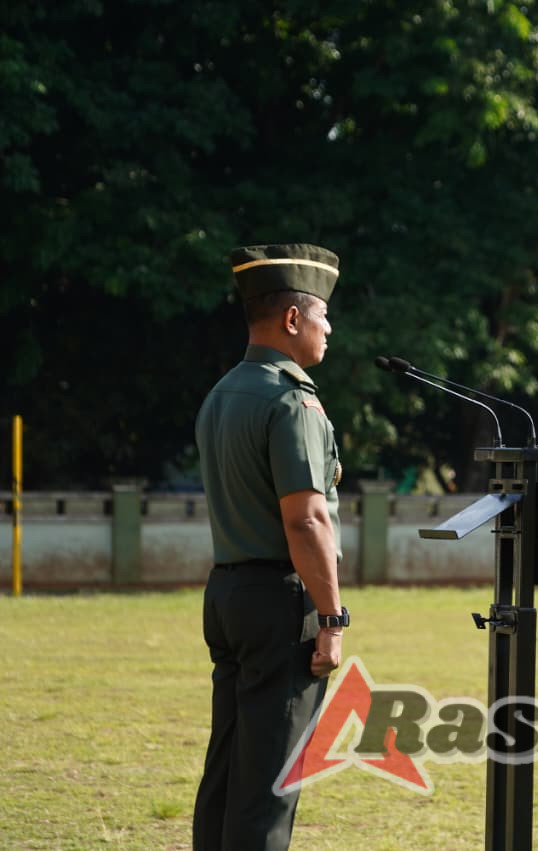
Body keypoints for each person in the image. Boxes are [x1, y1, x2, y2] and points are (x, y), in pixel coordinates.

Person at [193, 243, 347, 850]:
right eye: (322, 316)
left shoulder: (222, 394)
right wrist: (332, 617)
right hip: (283, 603)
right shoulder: (292, 399)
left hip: (228, 592)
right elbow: (306, 521)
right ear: (292, 319)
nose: (328, 329)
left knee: (228, 775)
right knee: (269, 786)